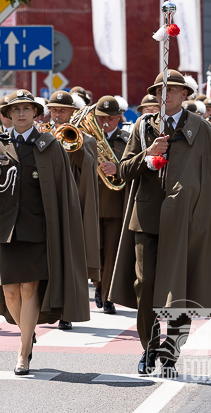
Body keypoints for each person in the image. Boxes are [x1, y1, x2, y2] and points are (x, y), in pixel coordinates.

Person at [110, 70, 211, 376]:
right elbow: (123, 170)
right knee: (145, 285)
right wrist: (147, 156)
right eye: (160, 91)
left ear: (185, 95)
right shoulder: (141, 126)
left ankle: (172, 351)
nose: (165, 96)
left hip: (185, 220)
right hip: (146, 217)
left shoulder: (201, 128)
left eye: (173, 91)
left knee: (179, 289)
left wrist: (202, 216)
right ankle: (149, 348)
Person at [0, 90, 89, 375]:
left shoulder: (50, 145)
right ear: (7, 115)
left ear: (35, 113)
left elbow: (64, 192)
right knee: (10, 292)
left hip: (38, 229)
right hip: (6, 229)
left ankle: (23, 352)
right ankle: (27, 333)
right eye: (15, 109)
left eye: (27, 108)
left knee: (29, 288)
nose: (21, 113)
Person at [46, 90, 102, 330]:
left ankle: (67, 311)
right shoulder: (41, 135)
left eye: (63, 110)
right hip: (44, 206)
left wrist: (73, 143)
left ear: (72, 112)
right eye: (54, 110)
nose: (58, 114)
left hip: (71, 209)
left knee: (69, 263)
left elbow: (88, 168)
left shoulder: (86, 139)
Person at [93, 95, 129, 314]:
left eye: (110, 118)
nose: (105, 122)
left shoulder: (126, 140)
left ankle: (106, 295)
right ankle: (98, 285)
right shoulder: (88, 138)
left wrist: (116, 166)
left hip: (114, 205)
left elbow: (129, 166)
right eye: (101, 118)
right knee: (94, 251)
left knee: (111, 253)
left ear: (118, 118)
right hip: (91, 204)